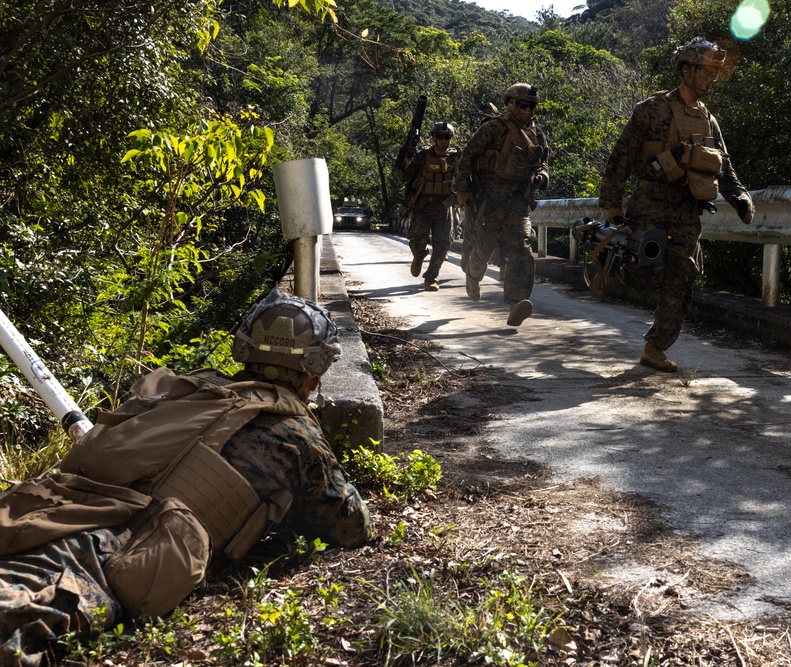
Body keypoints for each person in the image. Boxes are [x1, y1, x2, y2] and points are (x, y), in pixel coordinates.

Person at [0, 290, 373, 666]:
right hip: (117, 550)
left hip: (53, 510)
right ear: (316, 372)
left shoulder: (192, 387)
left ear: (243, 348)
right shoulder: (296, 435)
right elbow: (351, 527)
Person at [599, 36, 754, 372]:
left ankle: (655, 347)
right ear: (686, 70)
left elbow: (723, 167)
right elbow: (620, 160)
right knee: (644, 274)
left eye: (715, 73)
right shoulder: (650, 110)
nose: (711, 79)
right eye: (705, 71)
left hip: (687, 211)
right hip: (649, 205)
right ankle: (612, 259)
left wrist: (739, 196)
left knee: (681, 279)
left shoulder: (708, 120)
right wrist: (612, 204)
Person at [453, 83, 549, 327]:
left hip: (517, 203)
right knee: (483, 250)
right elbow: (468, 156)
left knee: (522, 248)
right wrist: (462, 189)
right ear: (510, 104)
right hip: (488, 201)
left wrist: (542, 177)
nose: (529, 110)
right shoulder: (493, 129)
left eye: (532, 106)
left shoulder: (537, 135)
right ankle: (473, 276)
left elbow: (543, 164)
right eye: (523, 105)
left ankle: (517, 302)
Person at [399, 121, 461, 291]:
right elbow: (405, 178)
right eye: (440, 137)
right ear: (433, 137)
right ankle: (419, 255)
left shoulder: (456, 158)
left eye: (447, 137)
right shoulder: (423, 156)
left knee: (443, 245)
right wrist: (405, 161)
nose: (443, 141)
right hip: (422, 206)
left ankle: (431, 277)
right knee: (416, 239)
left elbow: (465, 178)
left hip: (444, 207)